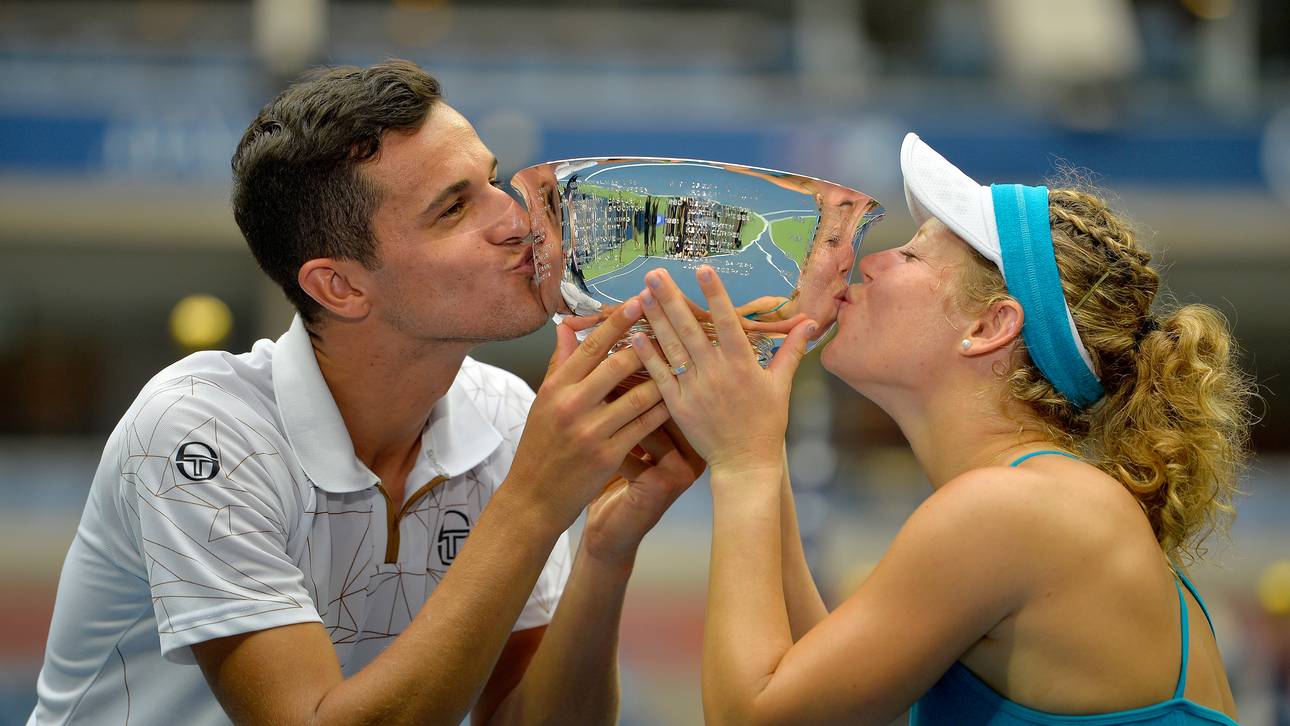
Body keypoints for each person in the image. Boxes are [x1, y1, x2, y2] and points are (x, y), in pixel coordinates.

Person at [29, 60, 704, 726]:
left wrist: (604, 548)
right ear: (341, 286)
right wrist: (533, 502)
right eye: (454, 208)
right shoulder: (199, 428)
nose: (517, 219)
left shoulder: (503, 415)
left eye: (493, 181)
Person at [627, 132, 1252, 724]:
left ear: (990, 327)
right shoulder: (1041, 498)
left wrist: (745, 462)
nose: (872, 262)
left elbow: (753, 716)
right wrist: (755, 432)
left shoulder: (1013, 508)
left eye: (910, 253)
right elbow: (826, 697)